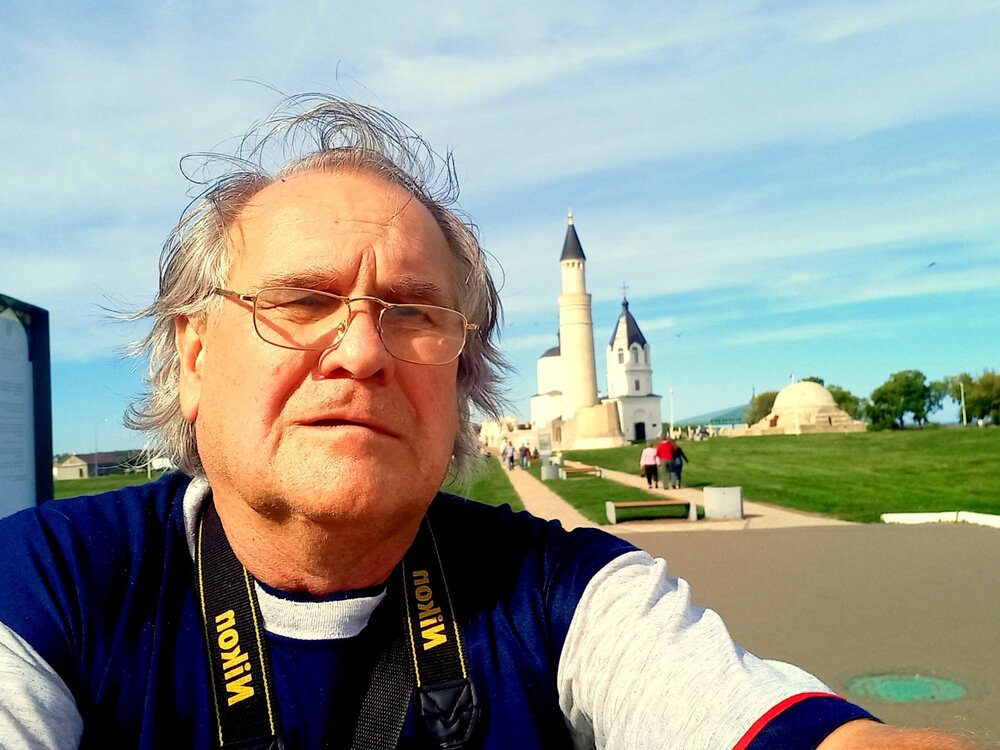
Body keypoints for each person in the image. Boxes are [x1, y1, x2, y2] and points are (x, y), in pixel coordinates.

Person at [0, 96, 975, 749]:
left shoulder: (567, 597)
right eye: (301, 301)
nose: (361, 351)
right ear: (196, 352)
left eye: (413, 312)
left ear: (465, 374)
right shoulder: (52, 591)